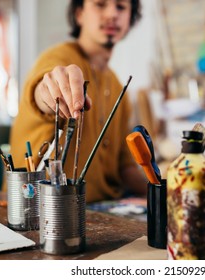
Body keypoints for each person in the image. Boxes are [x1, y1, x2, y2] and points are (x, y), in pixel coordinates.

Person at [8, 0, 147, 202]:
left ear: (130, 17)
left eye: (121, 7)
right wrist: (49, 89)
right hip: (41, 207)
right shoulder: (58, 57)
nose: (112, 14)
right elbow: (41, 90)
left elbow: (125, 165)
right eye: (100, 4)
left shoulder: (118, 87)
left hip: (103, 208)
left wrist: (164, 190)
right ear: (79, 14)